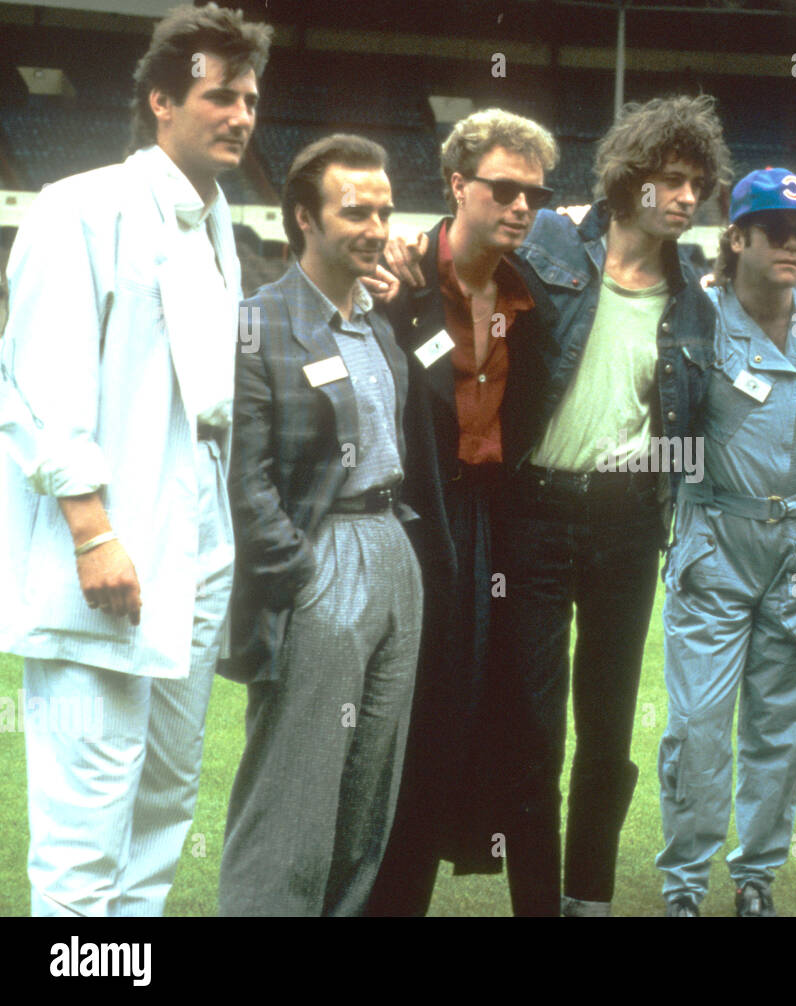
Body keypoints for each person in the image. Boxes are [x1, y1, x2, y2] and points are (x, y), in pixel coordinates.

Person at [0, 3, 270, 917]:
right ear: (161, 100)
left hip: (195, 549)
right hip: (107, 549)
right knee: (84, 833)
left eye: (250, 99)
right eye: (219, 96)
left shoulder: (218, 222)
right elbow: (37, 388)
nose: (240, 115)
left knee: (160, 813)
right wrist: (91, 532)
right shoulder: (80, 207)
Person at [497, 94, 729, 916]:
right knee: (531, 727)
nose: (684, 197)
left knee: (607, 729)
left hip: (628, 530)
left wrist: (649, 457)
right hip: (531, 517)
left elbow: (694, 445)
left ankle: (586, 897)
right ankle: (535, 902)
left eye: (696, 184)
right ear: (629, 179)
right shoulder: (551, 243)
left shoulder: (695, 306)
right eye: (670, 179)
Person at [217, 134, 422, 916]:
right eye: (355, 210)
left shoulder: (376, 326)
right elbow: (245, 477)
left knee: (371, 780)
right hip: (322, 553)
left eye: (384, 209)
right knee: (296, 781)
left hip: (390, 547)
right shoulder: (260, 323)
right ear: (305, 217)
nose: (376, 225)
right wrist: (301, 577)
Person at [365, 109, 559, 916]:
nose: (520, 207)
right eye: (503, 189)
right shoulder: (398, 285)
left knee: (519, 720)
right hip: (419, 526)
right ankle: (387, 895)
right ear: (456, 186)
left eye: (535, 196)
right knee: (413, 718)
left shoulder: (534, 295)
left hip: (506, 532)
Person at [657, 169, 796, 917]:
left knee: (783, 732)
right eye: (777, 231)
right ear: (735, 237)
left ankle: (755, 879)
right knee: (699, 726)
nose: (795, 245)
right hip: (715, 541)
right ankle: (683, 882)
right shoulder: (691, 320)